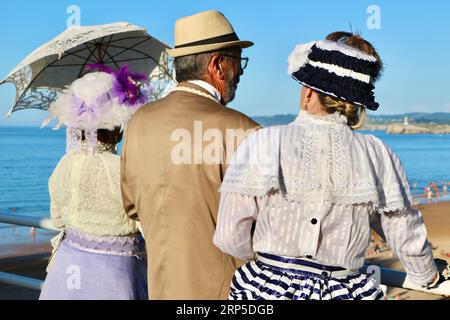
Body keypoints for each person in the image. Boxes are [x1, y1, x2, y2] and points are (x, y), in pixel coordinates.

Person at [214, 32, 449, 300]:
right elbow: (403, 232)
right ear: (356, 102)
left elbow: (229, 236)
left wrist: (270, 258)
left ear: (308, 92)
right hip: (346, 290)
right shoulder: (376, 153)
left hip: (267, 289)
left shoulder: (264, 142)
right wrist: (427, 275)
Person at [120, 10, 261, 299]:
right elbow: (266, 229)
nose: (242, 71)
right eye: (238, 60)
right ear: (218, 65)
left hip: (160, 289)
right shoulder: (244, 131)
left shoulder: (138, 123)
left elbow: (132, 206)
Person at [40, 67, 149, 300]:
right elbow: (148, 226)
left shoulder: (64, 165)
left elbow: (58, 219)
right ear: (117, 128)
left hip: (66, 273)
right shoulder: (125, 170)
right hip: (115, 277)